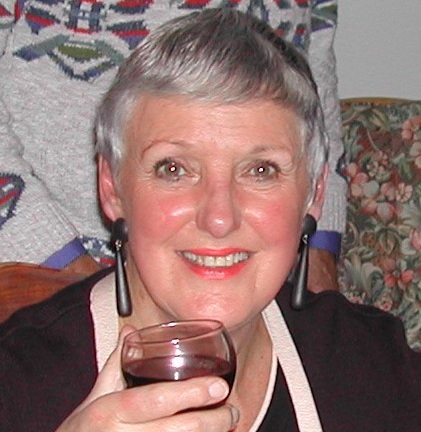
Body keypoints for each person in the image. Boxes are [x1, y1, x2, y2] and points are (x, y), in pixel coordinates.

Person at [3, 9, 420, 432]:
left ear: (314, 194)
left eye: (260, 170)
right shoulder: (17, 385)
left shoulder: (377, 370)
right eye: (174, 169)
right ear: (112, 188)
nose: (219, 218)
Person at [0, 0, 346, 292]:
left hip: (256, 263)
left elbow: (314, 84)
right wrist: (72, 280)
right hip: (39, 275)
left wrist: (317, 257)